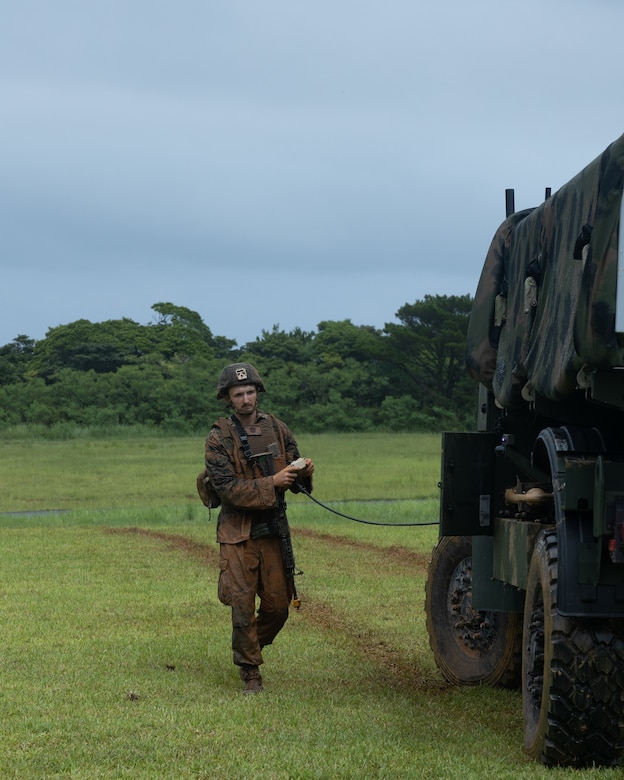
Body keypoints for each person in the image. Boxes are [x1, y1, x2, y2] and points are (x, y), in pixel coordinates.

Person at [203, 362, 314, 694]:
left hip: (273, 529)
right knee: (241, 603)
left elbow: (295, 480)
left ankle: (248, 646)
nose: (246, 399)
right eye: (239, 394)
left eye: (250, 392)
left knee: (278, 607)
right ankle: (250, 670)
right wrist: (273, 482)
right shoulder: (217, 437)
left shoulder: (277, 428)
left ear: (258, 393)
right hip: (237, 532)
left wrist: (304, 471)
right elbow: (227, 489)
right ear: (228, 398)